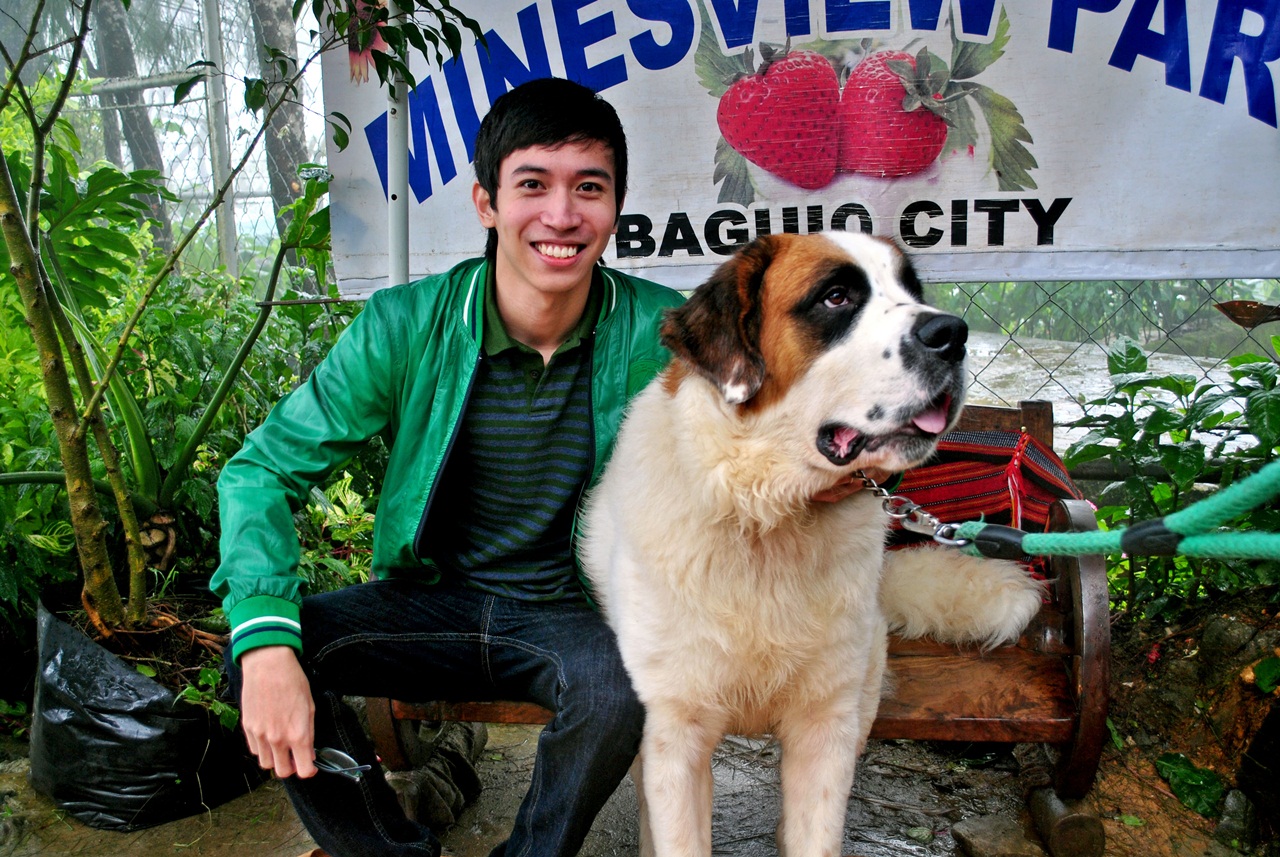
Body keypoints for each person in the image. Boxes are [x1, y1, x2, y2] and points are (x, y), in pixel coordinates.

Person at [211, 77, 685, 857]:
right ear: (487, 202)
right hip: (430, 602)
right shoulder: (405, 325)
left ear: (615, 207)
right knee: (259, 654)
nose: (561, 216)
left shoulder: (661, 336)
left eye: (589, 188)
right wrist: (265, 643)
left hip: (569, 616)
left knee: (619, 684)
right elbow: (261, 469)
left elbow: (762, 437)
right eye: (532, 184)